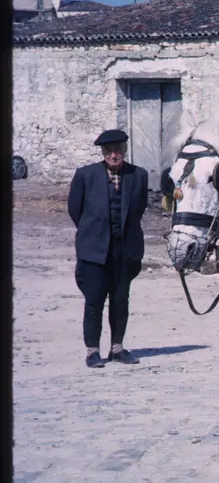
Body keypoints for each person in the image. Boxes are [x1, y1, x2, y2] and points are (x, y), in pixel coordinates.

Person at [67, 129, 148, 368]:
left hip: (124, 250)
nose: (114, 155)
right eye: (108, 151)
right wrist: (94, 233)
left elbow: (139, 209)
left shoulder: (139, 175)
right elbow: (75, 210)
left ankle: (117, 348)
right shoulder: (85, 175)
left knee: (121, 300)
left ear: (124, 150)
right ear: (102, 153)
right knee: (94, 301)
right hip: (94, 251)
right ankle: (92, 351)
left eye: (118, 150)